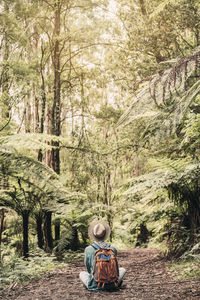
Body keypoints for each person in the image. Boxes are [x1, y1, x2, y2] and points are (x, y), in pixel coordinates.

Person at [79, 220, 126, 291]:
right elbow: (116, 269)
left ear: (93, 235)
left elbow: (88, 269)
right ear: (105, 234)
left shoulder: (88, 249)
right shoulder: (112, 248)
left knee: (82, 274)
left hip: (95, 284)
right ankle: (113, 284)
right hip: (113, 284)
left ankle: (94, 284)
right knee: (122, 269)